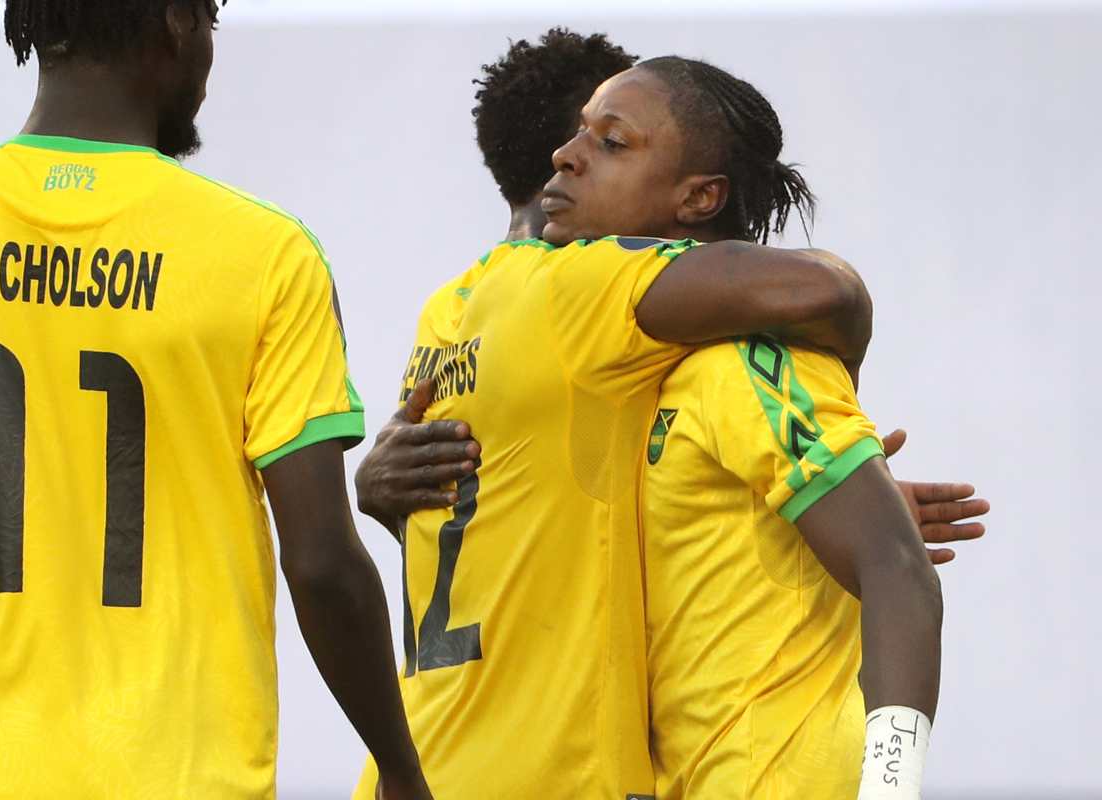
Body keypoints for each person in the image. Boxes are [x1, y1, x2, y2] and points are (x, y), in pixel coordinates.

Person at [354, 33, 985, 799]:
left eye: (611, 140)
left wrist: (892, 787)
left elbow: (895, 567)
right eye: (580, 132)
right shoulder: (607, 346)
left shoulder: (740, 354)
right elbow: (833, 293)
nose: (569, 156)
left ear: (698, 196)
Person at [0, 2, 429, 797]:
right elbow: (322, 563)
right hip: (179, 768)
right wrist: (399, 767)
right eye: (210, 23)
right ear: (178, 24)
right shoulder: (265, 254)